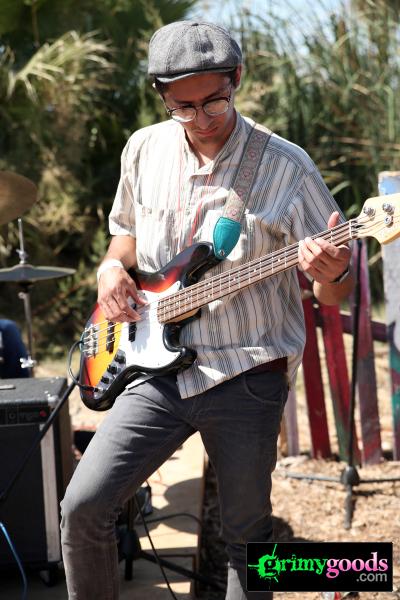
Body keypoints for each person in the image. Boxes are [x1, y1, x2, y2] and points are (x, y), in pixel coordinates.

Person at [60, 21, 353, 599]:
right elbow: (124, 237)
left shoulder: (286, 166)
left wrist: (334, 272)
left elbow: (334, 293)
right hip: (152, 369)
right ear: (161, 95)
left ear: (236, 77)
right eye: (183, 107)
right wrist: (110, 268)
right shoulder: (143, 148)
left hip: (247, 371)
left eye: (214, 101)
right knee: (82, 508)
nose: (202, 118)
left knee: (248, 540)